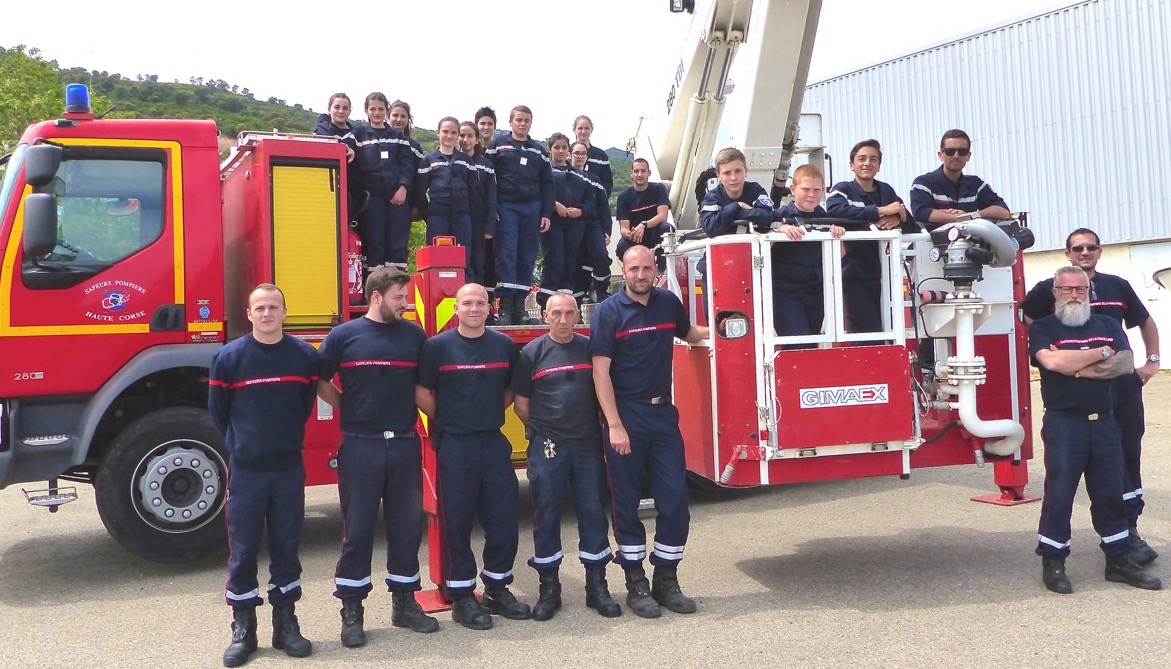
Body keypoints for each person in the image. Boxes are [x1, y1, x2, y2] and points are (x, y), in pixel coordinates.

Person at [1021, 228, 1161, 565]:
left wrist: (1152, 362)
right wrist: (1071, 363)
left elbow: (1144, 325)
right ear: (1067, 254)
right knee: (1065, 480)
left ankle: (1130, 532)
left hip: (1121, 388)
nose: (1085, 252)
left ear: (1100, 251)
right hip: (1072, 400)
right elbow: (1029, 325)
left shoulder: (1117, 286)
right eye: (1077, 248)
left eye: (1091, 247)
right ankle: (1057, 556)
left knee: (1125, 457)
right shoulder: (1046, 293)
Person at [316, 267, 438, 646]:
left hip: (403, 442)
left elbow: (424, 387)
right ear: (376, 297)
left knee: (405, 528)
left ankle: (404, 603)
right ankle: (352, 610)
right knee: (359, 531)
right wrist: (344, 405)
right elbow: (318, 378)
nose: (405, 304)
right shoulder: (343, 336)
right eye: (399, 297)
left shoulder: (414, 337)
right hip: (360, 444)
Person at [590, 246, 709, 618]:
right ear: (623, 270)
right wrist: (614, 424)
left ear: (655, 269)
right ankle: (636, 583)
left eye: (646, 268)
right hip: (626, 415)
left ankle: (666, 580)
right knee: (625, 501)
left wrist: (730, 326)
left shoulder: (668, 302)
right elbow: (600, 372)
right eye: (633, 268)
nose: (640, 274)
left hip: (662, 416)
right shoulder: (609, 313)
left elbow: (690, 334)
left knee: (674, 499)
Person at [209, 284, 319, 667]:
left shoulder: (304, 356)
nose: (267, 313)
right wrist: (245, 446)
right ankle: (244, 629)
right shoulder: (229, 358)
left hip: (288, 468)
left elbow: (304, 404)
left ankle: (286, 624)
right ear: (249, 313)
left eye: (274, 307)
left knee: (287, 549)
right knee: (242, 552)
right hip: (248, 472)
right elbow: (219, 412)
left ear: (285, 312)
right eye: (260, 308)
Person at [415, 283, 531, 630]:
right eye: (467, 302)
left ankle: (496, 588)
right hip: (455, 444)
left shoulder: (504, 346)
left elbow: (514, 387)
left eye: (481, 302)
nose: (475, 308)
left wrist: (495, 409)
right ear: (456, 308)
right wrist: (447, 418)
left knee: (503, 518)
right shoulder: (437, 347)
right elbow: (419, 390)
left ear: (490, 307)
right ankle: (463, 596)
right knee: (457, 522)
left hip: (493, 443)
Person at [512, 293, 622, 620]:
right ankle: (549, 589)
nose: (563, 320)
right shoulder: (531, 353)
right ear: (544, 315)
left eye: (569, 313)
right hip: (549, 445)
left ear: (579, 316)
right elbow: (521, 405)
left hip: (587, 443)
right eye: (556, 313)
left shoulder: (591, 349)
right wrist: (543, 430)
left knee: (592, 510)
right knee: (546, 512)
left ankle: (596, 586)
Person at [825, 139, 919, 333]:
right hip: (855, 272)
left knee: (891, 327)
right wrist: (880, 211)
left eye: (873, 159)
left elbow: (910, 224)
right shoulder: (842, 190)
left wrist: (897, 219)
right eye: (862, 158)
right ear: (852, 165)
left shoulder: (887, 190)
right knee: (865, 329)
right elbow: (836, 211)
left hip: (887, 271)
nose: (867, 163)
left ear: (879, 165)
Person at [486, 105, 554, 325]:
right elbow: (489, 179)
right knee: (507, 253)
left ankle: (520, 307)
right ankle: (505, 306)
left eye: (527, 120)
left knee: (526, 256)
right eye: (519, 120)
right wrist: (492, 207)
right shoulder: (498, 145)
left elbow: (548, 183)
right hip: (506, 205)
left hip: (532, 207)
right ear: (511, 122)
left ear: (531, 123)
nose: (522, 124)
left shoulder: (538, 150)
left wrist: (546, 212)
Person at [770, 163, 845, 338]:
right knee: (798, 342)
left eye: (817, 190)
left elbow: (841, 256)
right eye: (806, 189)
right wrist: (777, 231)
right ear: (793, 189)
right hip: (786, 293)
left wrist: (837, 236)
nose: (811, 195)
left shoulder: (827, 220)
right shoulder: (778, 217)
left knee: (811, 345)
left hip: (817, 292)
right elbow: (760, 249)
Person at [353, 92, 415, 270]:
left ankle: (396, 285)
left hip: (397, 196)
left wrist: (403, 187)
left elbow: (407, 165)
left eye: (381, 109)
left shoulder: (398, 136)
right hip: (372, 196)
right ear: (366, 110)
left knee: (397, 241)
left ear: (386, 111)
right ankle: (376, 284)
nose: (377, 112)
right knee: (375, 240)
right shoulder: (359, 134)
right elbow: (345, 147)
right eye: (373, 109)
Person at [909, 129, 1011, 229]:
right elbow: (921, 213)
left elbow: (1003, 211)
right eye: (950, 151)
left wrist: (971, 215)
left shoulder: (976, 184)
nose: (956, 156)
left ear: (968, 156)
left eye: (962, 151)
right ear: (940, 155)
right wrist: (964, 218)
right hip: (932, 244)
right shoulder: (923, 183)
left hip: (972, 244)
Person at [538, 133, 594, 309]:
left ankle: (567, 306)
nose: (561, 151)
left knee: (570, 263)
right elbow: (537, 192)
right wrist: (553, 205)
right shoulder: (544, 171)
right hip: (552, 223)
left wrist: (581, 211)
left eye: (564, 148)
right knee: (554, 261)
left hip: (575, 225)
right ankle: (546, 306)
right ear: (550, 150)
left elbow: (591, 201)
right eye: (557, 147)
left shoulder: (581, 175)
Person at [415, 117, 475, 273]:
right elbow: (419, 191)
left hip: (462, 217)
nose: (449, 136)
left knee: (463, 259)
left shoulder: (466, 161)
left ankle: (462, 293)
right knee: (437, 258)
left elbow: (474, 191)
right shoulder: (428, 160)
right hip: (437, 216)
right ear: (437, 133)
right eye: (445, 132)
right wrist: (428, 214)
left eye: (454, 132)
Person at [570, 141, 613, 303]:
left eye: (583, 154)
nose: (580, 156)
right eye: (577, 153)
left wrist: (606, 231)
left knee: (600, 255)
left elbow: (603, 207)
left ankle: (601, 290)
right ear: (570, 155)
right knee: (576, 264)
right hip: (571, 225)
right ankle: (577, 303)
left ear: (587, 157)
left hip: (593, 224)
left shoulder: (594, 179)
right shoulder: (562, 175)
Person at [614, 158, 671, 271]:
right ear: (631, 174)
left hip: (655, 234)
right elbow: (624, 228)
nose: (640, 174)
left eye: (643, 171)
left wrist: (644, 225)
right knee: (621, 248)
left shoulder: (658, 189)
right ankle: (634, 271)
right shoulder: (623, 197)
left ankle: (661, 269)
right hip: (636, 237)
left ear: (649, 173)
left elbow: (662, 216)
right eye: (636, 171)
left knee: (667, 228)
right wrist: (630, 234)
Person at [460, 120, 498, 286]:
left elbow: (491, 196)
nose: (465, 139)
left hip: (479, 220)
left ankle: (481, 303)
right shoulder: (452, 160)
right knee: (460, 262)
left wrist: (489, 226)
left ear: (477, 139)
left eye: (470, 136)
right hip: (457, 218)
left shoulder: (486, 164)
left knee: (478, 262)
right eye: (462, 135)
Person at [474, 107, 501, 320]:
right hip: (472, 217)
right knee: (475, 260)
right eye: (482, 123)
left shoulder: (499, 150)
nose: (485, 127)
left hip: (495, 215)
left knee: (491, 262)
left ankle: (489, 307)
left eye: (489, 124)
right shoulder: (469, 153)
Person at [388, 99, 427, 234]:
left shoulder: (415, 147)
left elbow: (419, 181)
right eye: (395, 115)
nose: (398, 119)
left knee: (399, 243)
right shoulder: (378, 141)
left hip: (404, 204)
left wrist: (416, 206)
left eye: (403, 116)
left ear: (408, 119)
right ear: (388, 116)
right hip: (378, 202)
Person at [573, 115, 613, 195]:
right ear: (574, 129)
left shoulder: (601, 156)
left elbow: (607, 184)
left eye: (586, 128)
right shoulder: (567, 152)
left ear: (592, 129)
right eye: (580, 128)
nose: (583, 131)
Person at [313, 93, 357, 164]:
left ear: (350, 111)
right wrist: (343, 148)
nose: (341, 111)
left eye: (345, 108)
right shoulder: (321, 130)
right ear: (329, 109)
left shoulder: (357, 134)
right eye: (337, 107)